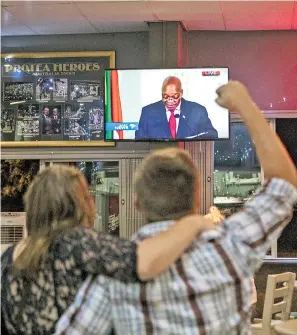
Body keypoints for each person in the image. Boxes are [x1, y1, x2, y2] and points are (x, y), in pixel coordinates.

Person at [55, 81, 297, 334]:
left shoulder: (112, 275)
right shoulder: (231, 247)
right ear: (196, 197)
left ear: (137, 203)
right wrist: (245, 105)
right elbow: (283, 185)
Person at [1, 165, 215, 335]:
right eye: (87, 196)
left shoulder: (9, 258)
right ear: (80, 204)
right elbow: (143, 261)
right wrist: (194, 223)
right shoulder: (79, 244)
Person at [135, 76, 218, 140]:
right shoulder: (148, 112)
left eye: (175, 96)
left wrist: (192, 140)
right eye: (165, 96)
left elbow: (212, 134)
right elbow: (139, 139)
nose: (170, 100)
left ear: (181, 93)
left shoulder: (197, 111)